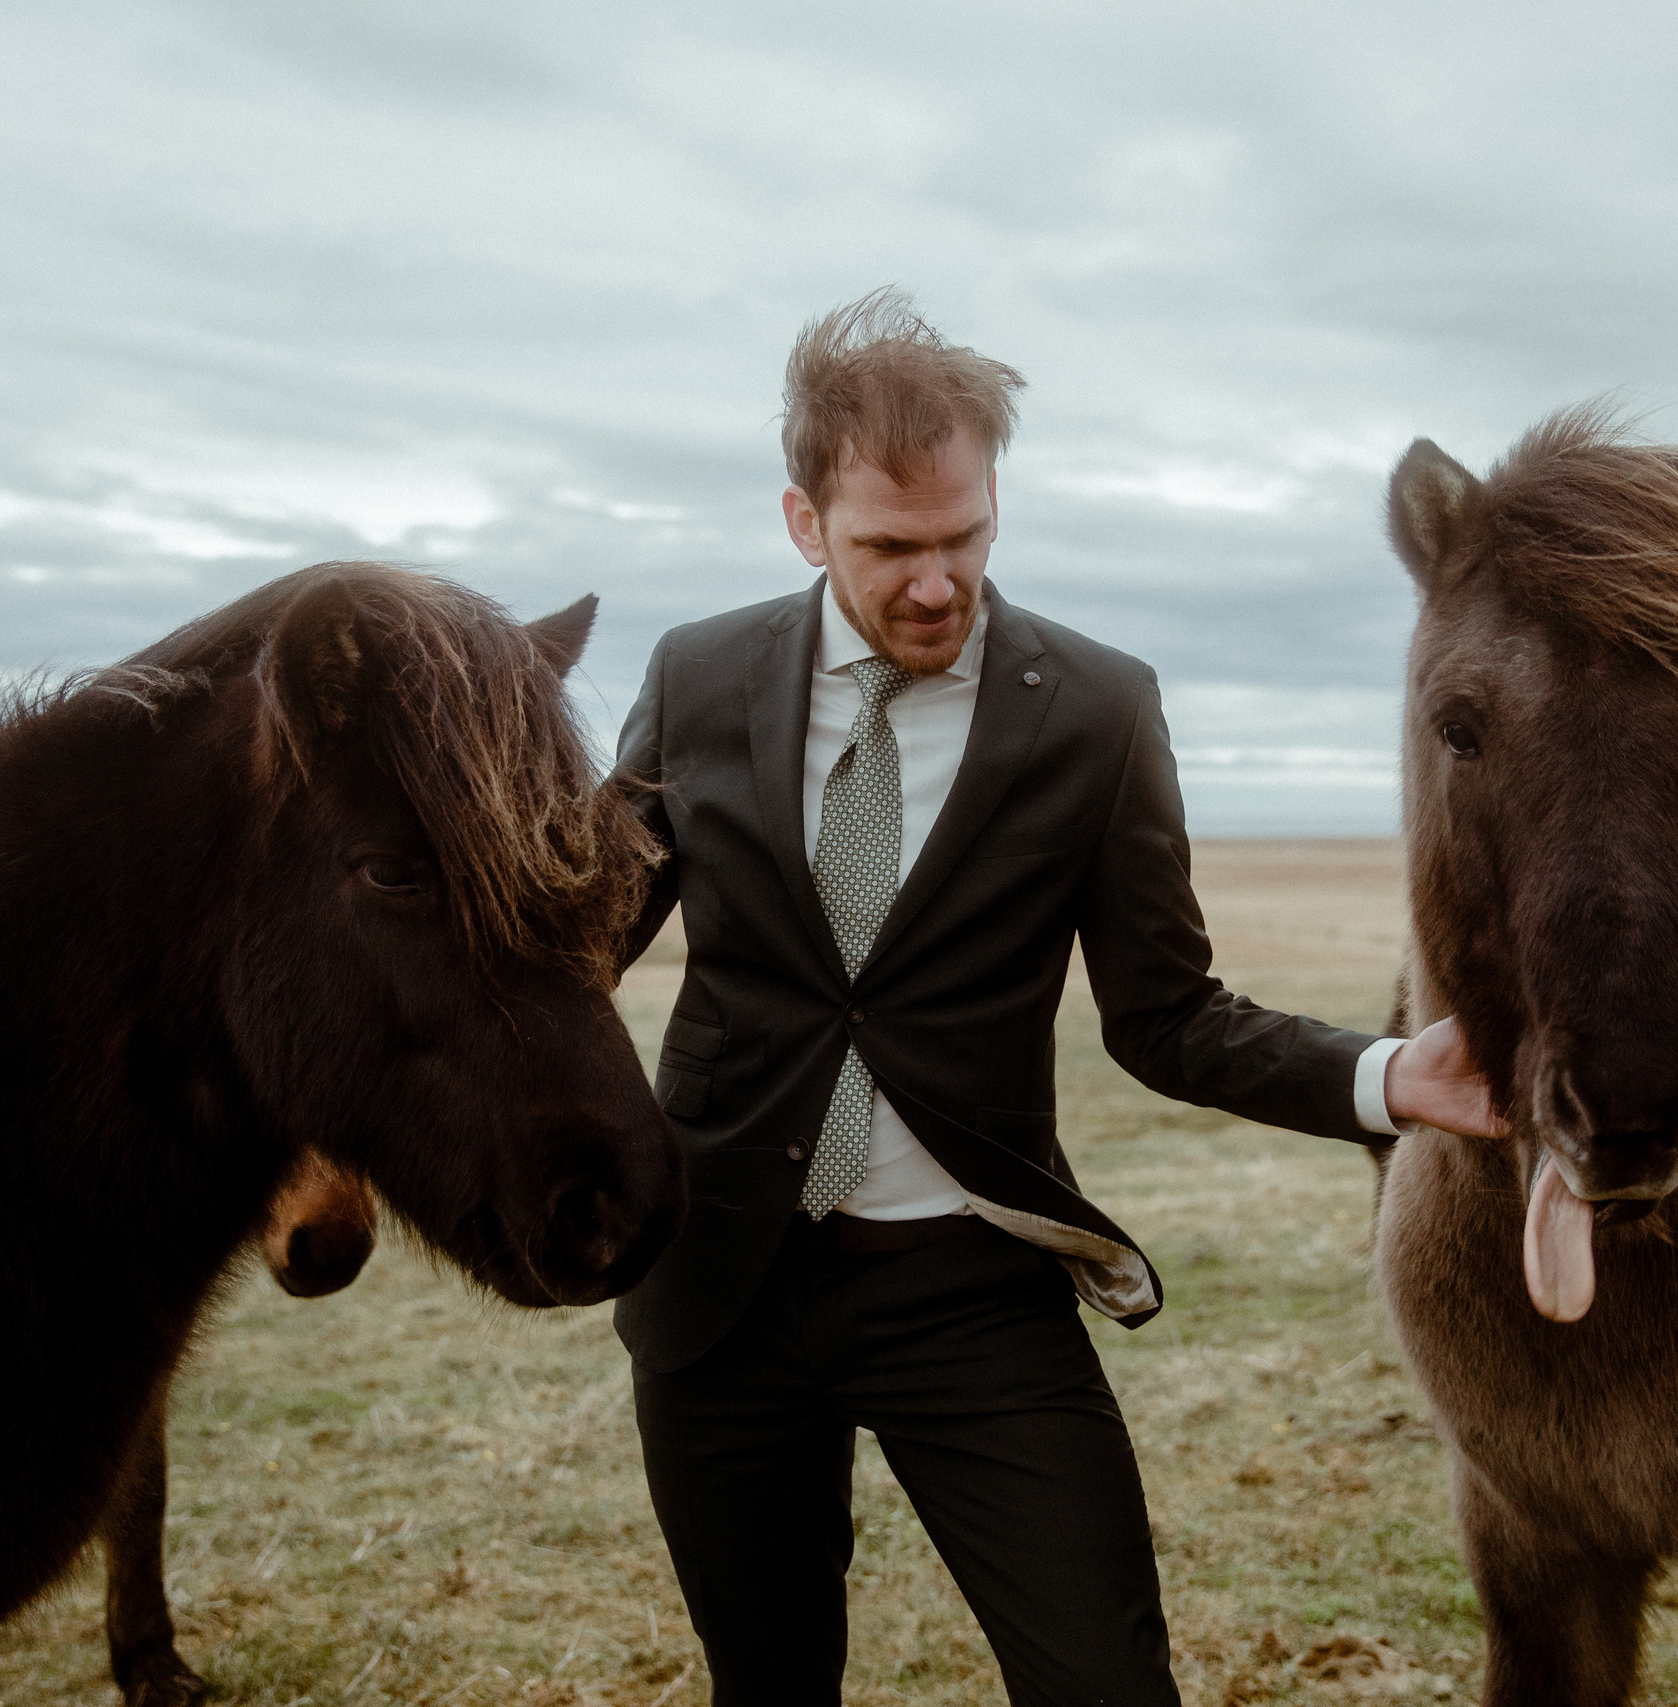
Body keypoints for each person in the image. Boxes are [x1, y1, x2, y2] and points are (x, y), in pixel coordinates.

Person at [612, 289, 1503, 1706]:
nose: (932, 584)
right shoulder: (697, 676)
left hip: (973, 1294)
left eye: (962, 539)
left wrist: (1390, 1077)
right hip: (722, 1286)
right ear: (802, 522)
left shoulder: (1096, 708)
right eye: (887, 547)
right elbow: (578, 940)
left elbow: (1169, 1015)